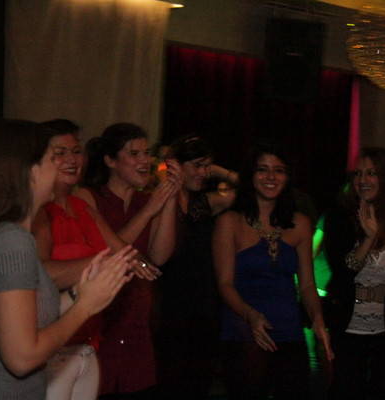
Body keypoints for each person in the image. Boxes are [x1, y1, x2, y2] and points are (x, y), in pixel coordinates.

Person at [0, 119, 135, 399]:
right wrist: (85, 307)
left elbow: (25, 317)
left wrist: (80, 292)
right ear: (29, 172)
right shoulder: (12, 241)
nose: (60, 166)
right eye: (52, 158)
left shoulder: (3, 234)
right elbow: (22, 358)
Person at [32, 119, 160, 400]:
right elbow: (39, 273)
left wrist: (135, 262)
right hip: (52, 344)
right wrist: (105, 264)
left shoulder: (81, 206)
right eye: (60, 152)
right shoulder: (40, 211)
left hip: (88, 344)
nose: (72, 159)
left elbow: (124, 252)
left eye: (76, 151)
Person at [213, 143, 333, 400]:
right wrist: (251, 316)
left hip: (288, 330)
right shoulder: (229, 221)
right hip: (243, 330)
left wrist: (318, 319)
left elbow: (307, 285)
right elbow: (224, 283)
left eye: (278, 170)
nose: (271, 177)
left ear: (287, 177)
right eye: (263, 169)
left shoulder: (300, 223)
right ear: (251, 175)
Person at [77, 123, 180, 399]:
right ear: (110, 160)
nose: (145, 161)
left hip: (136, 314)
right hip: (99, 317)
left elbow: (159, 256)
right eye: (134, 154)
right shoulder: (87, 196)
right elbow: (107, 251)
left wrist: (170, 198)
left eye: (147, 153)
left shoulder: (148, 199)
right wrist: (148, 211)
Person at [323, 147, 385, 400]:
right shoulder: (339, 217)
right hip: (347, 323)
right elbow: (342, 275)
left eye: (371, 173)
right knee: (347, 389)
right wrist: (369, 239)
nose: (363, 180)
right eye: (358, 173)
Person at [156, 135, 237, 399]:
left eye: (207, 166)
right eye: (198, 165)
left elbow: (249, 190)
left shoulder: (203, 203)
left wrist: (219, 171)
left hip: (202, 305)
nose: (203, 173)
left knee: (198, 381)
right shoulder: (156, 201)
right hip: (166, 306)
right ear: (176, 166)